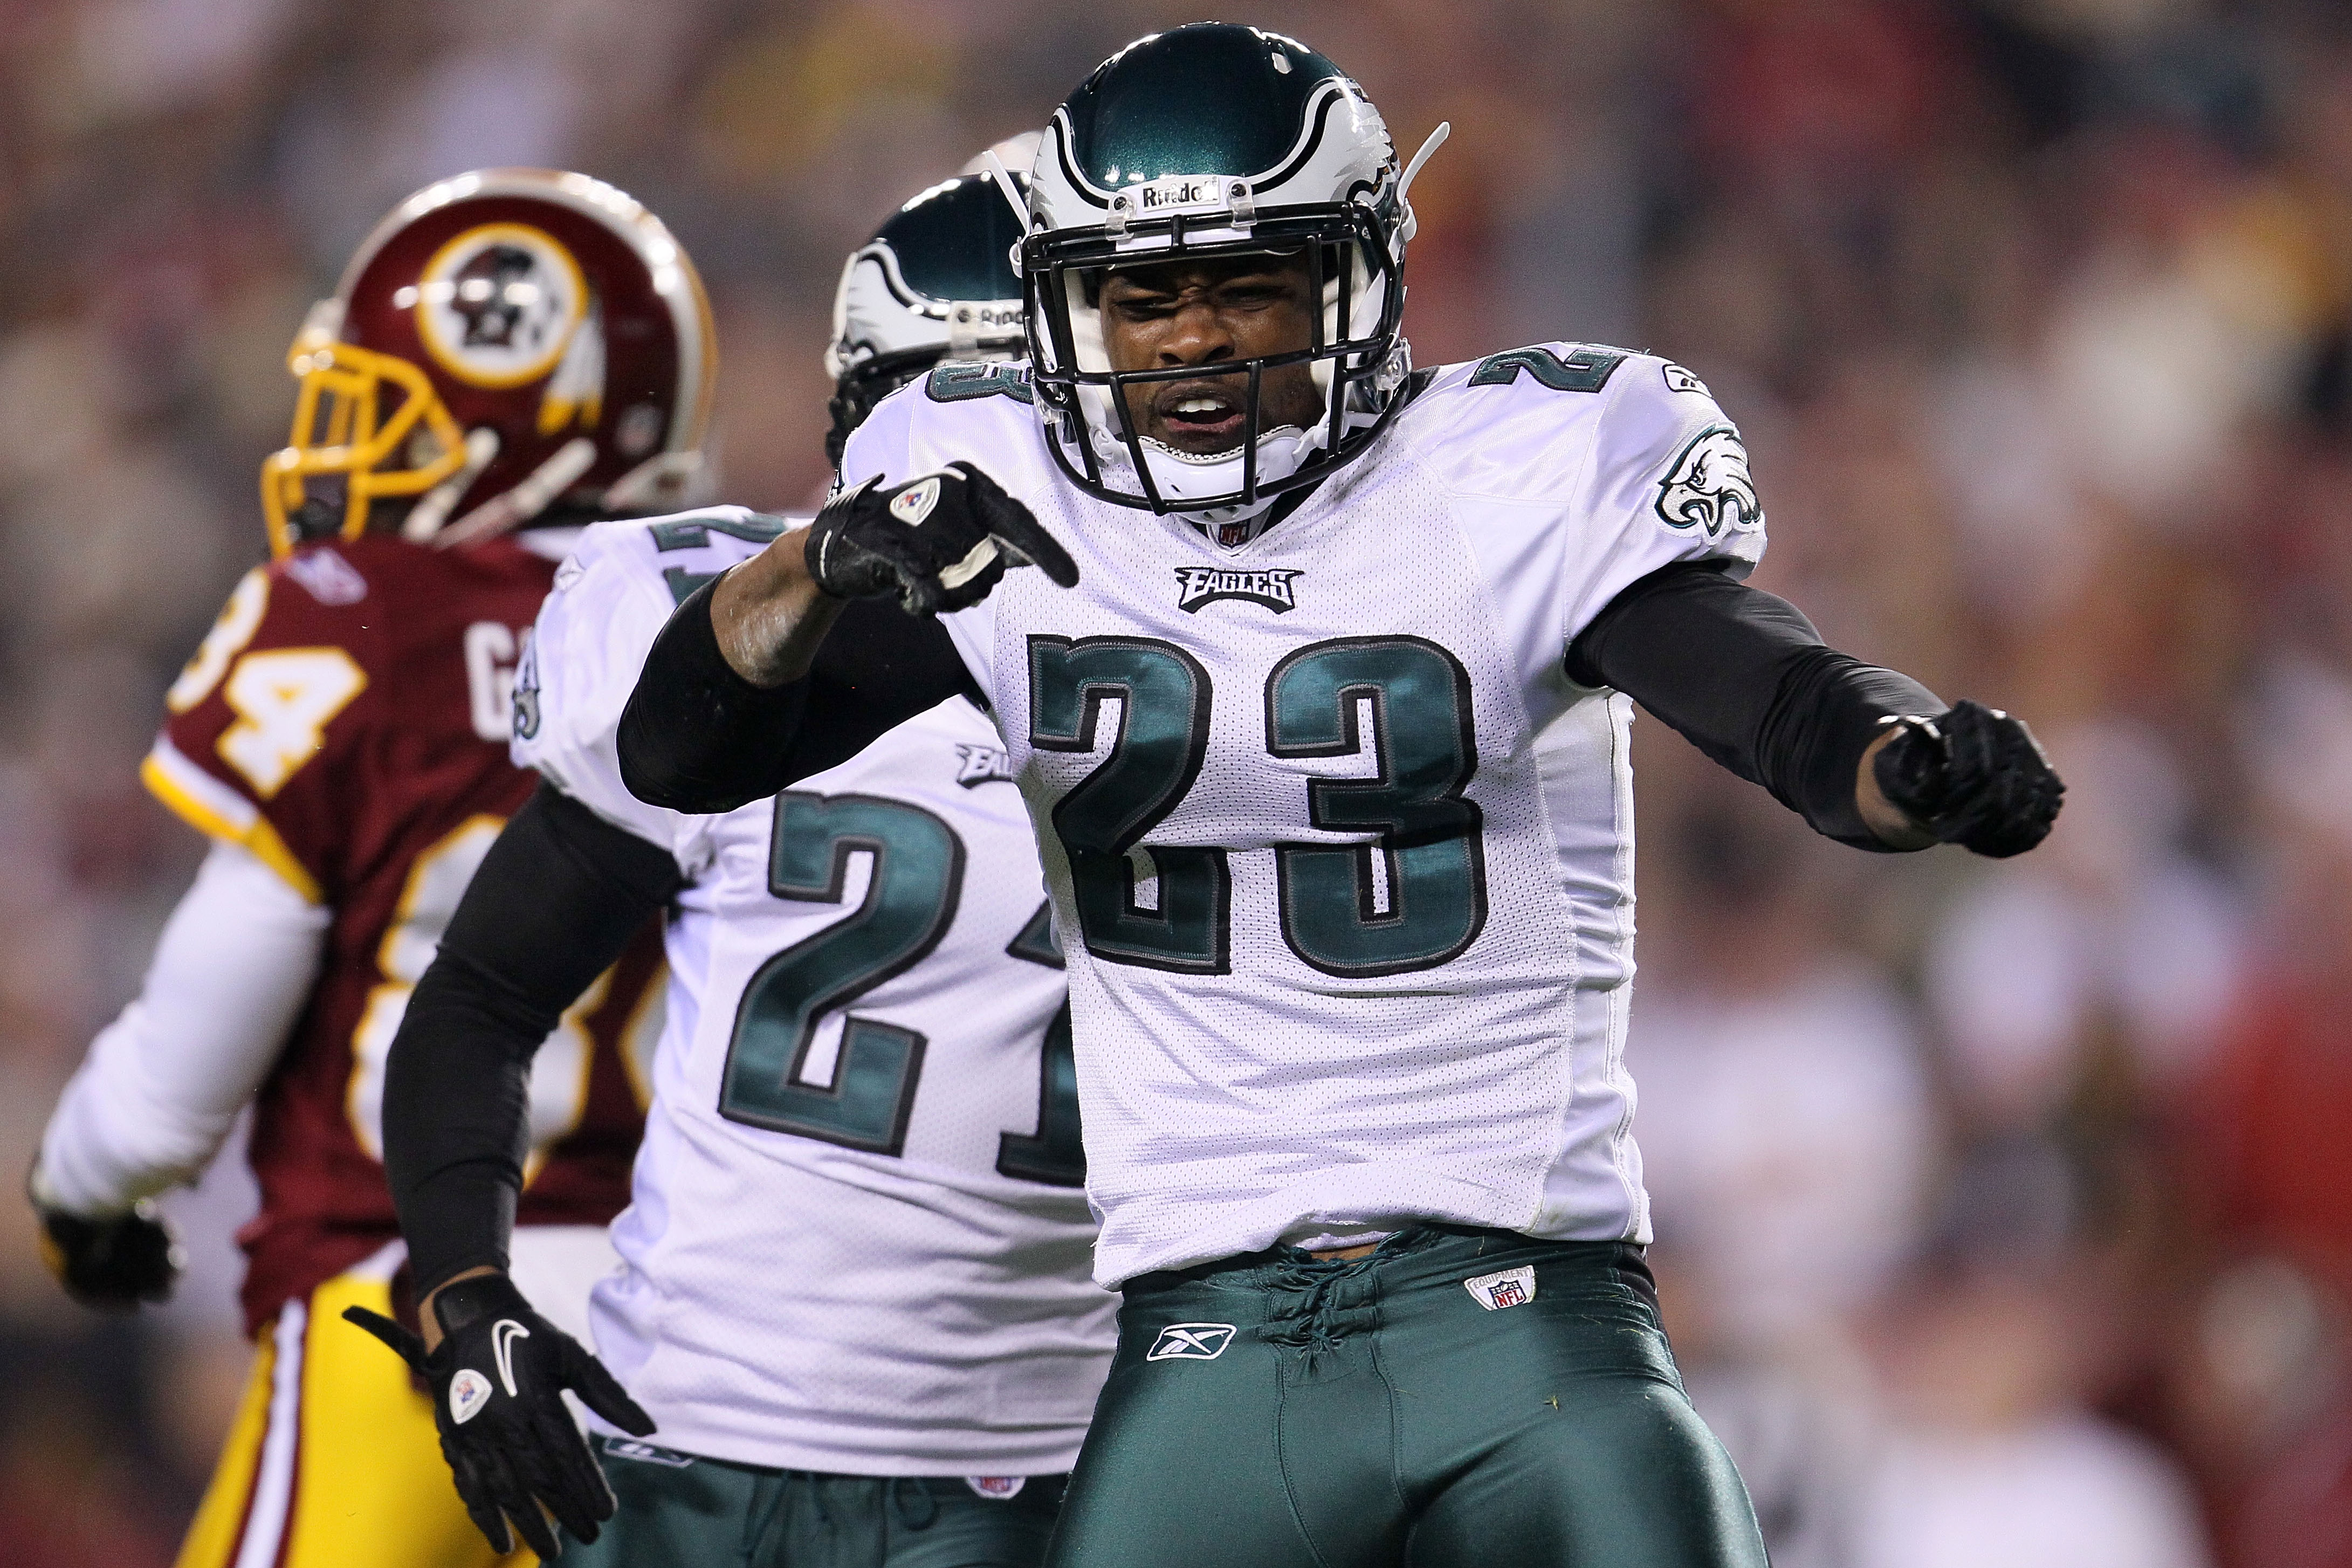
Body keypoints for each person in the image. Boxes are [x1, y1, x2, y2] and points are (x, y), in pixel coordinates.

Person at [618, 23, 2065, 1567]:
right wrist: (810, 570)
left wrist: (1903, 759)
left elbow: (1773, 693)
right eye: (1142, 293)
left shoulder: (1511, 473)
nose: (1189, 339)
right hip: (1205, 1337)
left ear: (1359, 277)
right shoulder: (998, 493)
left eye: (1247, 281)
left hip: (1523, 1327)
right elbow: (685, 753)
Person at [356, 160, 1117, 1568]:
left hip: (1039, 1465)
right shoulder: (724, 650)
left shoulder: (1226, 670)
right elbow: (479, 1000)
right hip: (691, 1442)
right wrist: (465, 1297)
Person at [28, 168, 707, 1568]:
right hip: (692, 1346)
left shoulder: (353, 622)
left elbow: (181, 1067)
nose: (346, 450)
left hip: (406, 1319)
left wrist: (85, 1190)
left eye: (384, 409)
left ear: (502, 406)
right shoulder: (726, 619)